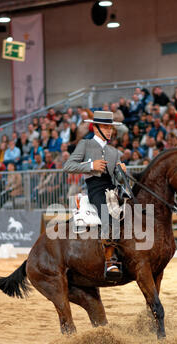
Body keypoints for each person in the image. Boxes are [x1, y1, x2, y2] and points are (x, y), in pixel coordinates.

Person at [63, 110, 126, 279]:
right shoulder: (85, 144)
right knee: (108, 214)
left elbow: (116, 177)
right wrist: (91, 165)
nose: (109, 131)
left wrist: (122, 172)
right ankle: (110, 261)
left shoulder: (114, 151)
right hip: (96, 188)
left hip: (113, 188)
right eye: (105, 127)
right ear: (96, 128)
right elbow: (68, 166)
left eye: (110, 128)